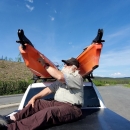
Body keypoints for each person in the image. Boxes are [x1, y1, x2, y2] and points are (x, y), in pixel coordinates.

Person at [0, 56, 84, 130]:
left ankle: (10, 128)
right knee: (37, 103)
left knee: (49, 112)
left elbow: (60, 76)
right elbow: (49, 89)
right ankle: (10, 119)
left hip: (72, 108)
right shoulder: (60, 81)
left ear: (74, 68)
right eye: (65, 64)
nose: (65, 65)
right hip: (58, 104)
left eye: (68, 64)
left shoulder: (77, 77)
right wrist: (34, 98)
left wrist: (44, 65)